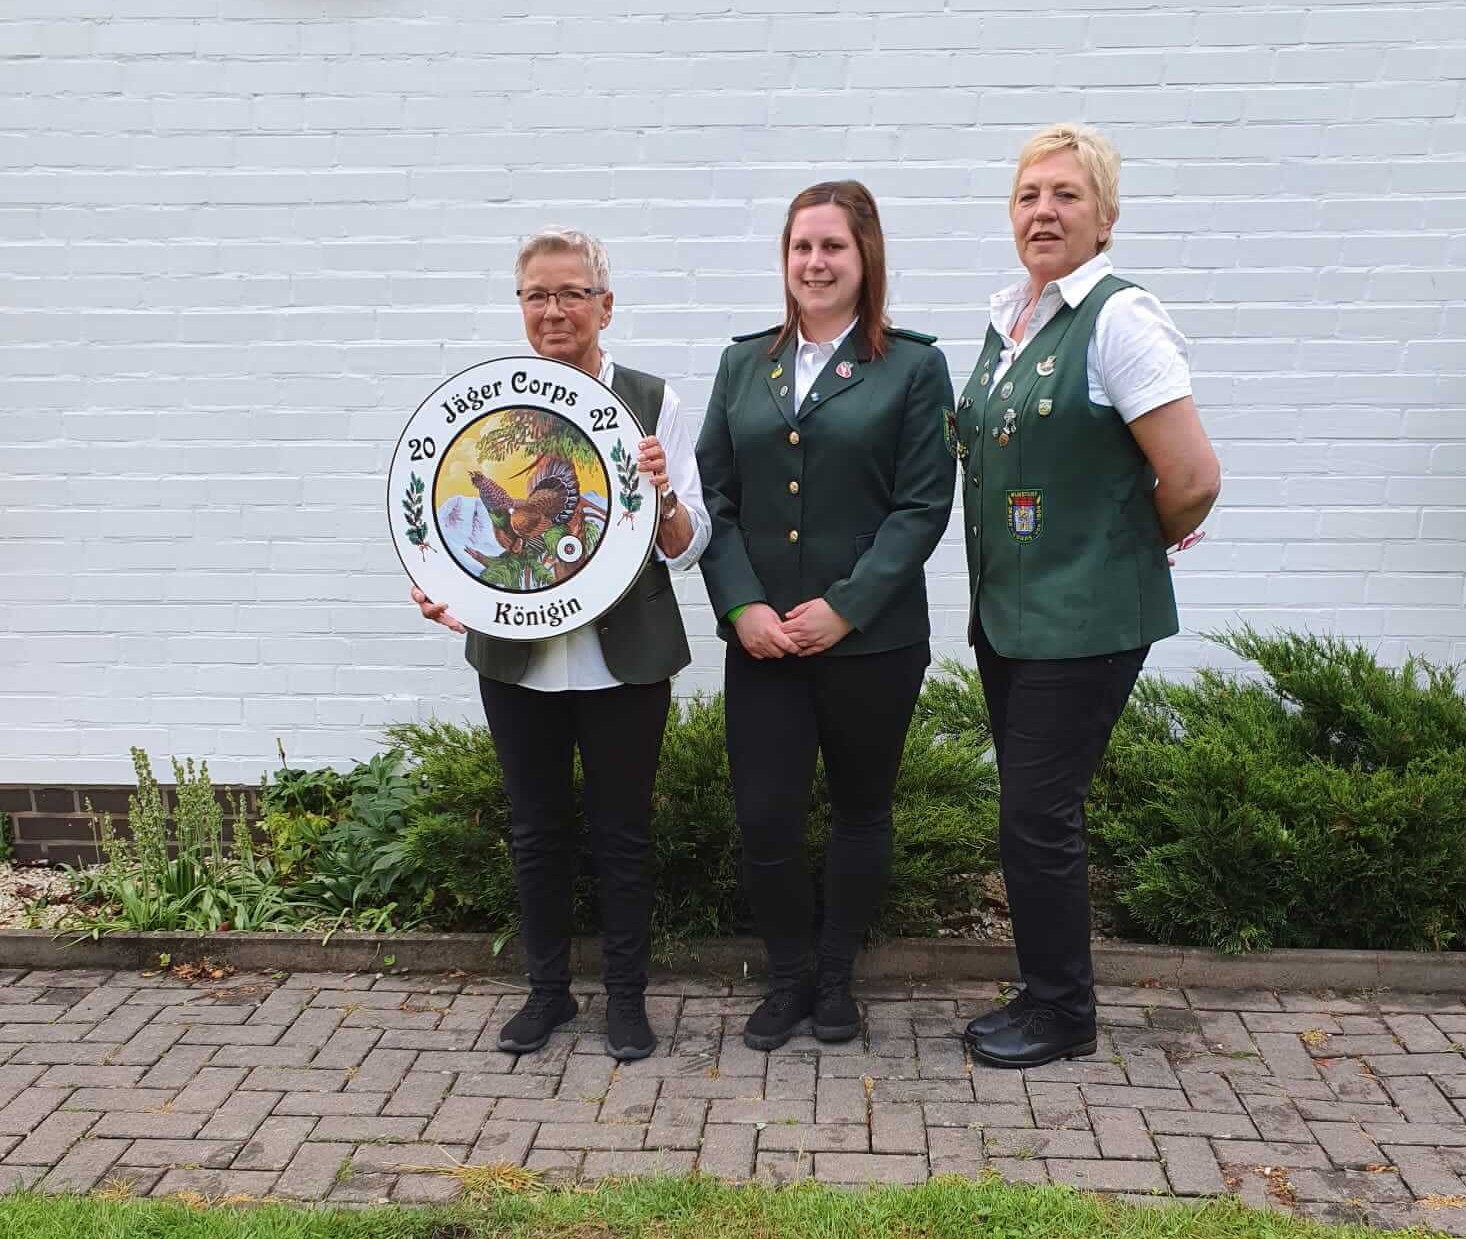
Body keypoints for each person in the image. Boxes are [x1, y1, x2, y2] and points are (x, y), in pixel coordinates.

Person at [957, 123, 1221, 1070]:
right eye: (1029, 196)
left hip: (1086, 620)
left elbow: (1192, 477)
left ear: (1104, 218)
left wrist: (1123, 547)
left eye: (1067, 195)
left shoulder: (1120, 318)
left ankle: (1063, 1013)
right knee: (1033, 814)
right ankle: (1044, 992)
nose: (1044, 211)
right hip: (1013, 618)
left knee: (1038, 816)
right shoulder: (1012, 321)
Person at [413, 228, 710, 1063]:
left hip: (627, 660)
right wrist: (444, 585)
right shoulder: (488, 413)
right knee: (536, 834)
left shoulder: (652, 402)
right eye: (537, 295)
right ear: (521, 307)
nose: (554, 310)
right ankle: (547, 994)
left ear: (604, 307)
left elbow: (690, 545)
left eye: (572, 293)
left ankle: (626, 1000)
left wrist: (663, 495)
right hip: (519, 663)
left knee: (623, 838)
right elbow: (456, 530)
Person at [697, 180, 956, 1052]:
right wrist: (741, 606)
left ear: (864, 257)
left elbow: (922, 505)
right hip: (763, 643)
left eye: (832, 246)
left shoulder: (913, 367)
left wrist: (846, 609)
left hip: (873, 643)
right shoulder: (743, 364)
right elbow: (715, 497)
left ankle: (837, 979)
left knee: (861, 811)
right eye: (801, 247)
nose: (815, 262)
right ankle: (787, 977)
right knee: (765, 817)